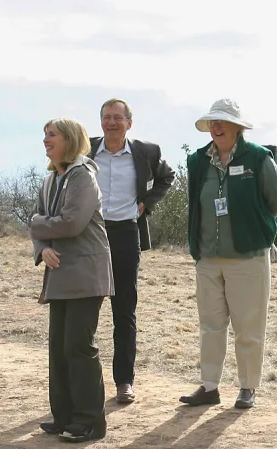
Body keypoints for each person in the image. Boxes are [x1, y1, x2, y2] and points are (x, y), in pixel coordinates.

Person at [178, 99, 277, 410]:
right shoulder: (198, 161)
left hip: (248, 255)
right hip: (208, 256)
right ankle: (209, 386)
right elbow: (196, 203)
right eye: (213, 122)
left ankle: (247, 387)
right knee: (210, 323)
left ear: (238, 127)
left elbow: (276, 200)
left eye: (223, 121)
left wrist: (252, 226)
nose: (217, 126)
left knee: (248, 325)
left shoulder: (258, 158)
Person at [88, 98, 176, 404]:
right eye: (106, 118)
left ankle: (124, 381)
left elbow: (167, 176)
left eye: (117, 118)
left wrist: (146, 204)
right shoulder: (85, 150)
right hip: (90, 235)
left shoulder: (145, 152)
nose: (111, 123)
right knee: (86, 309)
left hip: (126, 234)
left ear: (129, 123)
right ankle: (84, 382)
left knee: (124, 311)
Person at [31, 118, 111, 443]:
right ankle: (63, 416)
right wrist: (42, 249)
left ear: (70, 140)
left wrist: (38, 225)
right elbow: (38, 225)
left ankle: (90, 422)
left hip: (86, 275)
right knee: (59, 349)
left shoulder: (83, 176)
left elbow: (71, 223)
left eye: (52, 135)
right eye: (45, 134)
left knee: (78, 347)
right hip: (60, 276)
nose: (46, 140)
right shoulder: (51, 179)